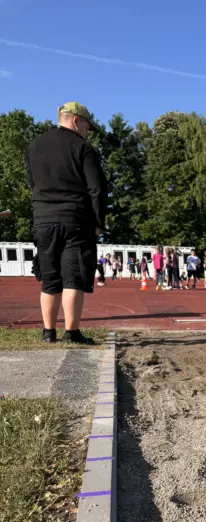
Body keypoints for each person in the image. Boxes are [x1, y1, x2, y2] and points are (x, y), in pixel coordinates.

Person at [25, 101, 106, 344]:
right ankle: (72, 332)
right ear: (76, 120)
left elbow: (31, 183)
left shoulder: (34, 146)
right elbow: (98, 188)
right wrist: (98, 220)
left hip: (44, 219)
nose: (87, 132)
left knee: (50, 277)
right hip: (75, 219)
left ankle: (48, 332)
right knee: (74, 277)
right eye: (87, 127)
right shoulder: (83, 148)